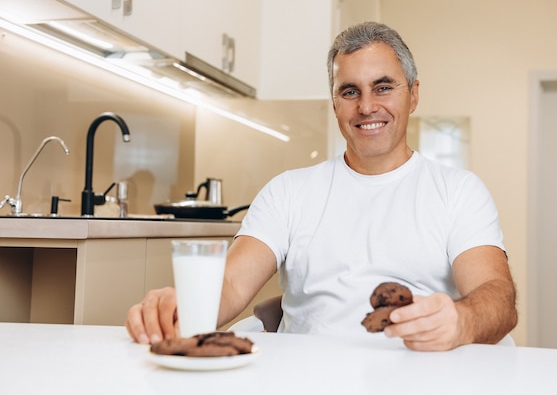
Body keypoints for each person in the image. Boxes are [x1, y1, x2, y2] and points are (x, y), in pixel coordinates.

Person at [126, 22, 518, 351]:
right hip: (304, 378)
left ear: (413, 95)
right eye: (350, 91)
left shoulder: (459, 191)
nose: (366, 107)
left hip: (421, 375)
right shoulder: (289, 192)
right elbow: (230, 283)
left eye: (383, 87)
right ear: (334, 104)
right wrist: (183, 306)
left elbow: (497, 296)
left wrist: (462, 321)